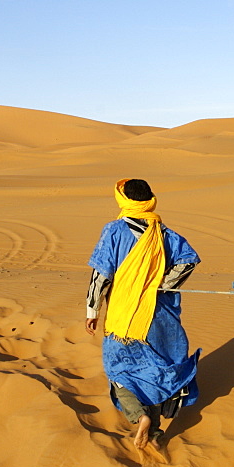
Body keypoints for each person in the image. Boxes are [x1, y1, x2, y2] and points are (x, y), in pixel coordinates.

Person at [85, 178, 201, 452]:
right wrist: (160, 285)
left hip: (124, 317)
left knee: (120, 370)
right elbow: (188, 261)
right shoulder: (164, 233)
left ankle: (141, 416)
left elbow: (100, 275)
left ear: (123, 200)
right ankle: (157, 431)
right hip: (160, 316)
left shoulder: (113, 231)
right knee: (156, 370)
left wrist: (92, 309)